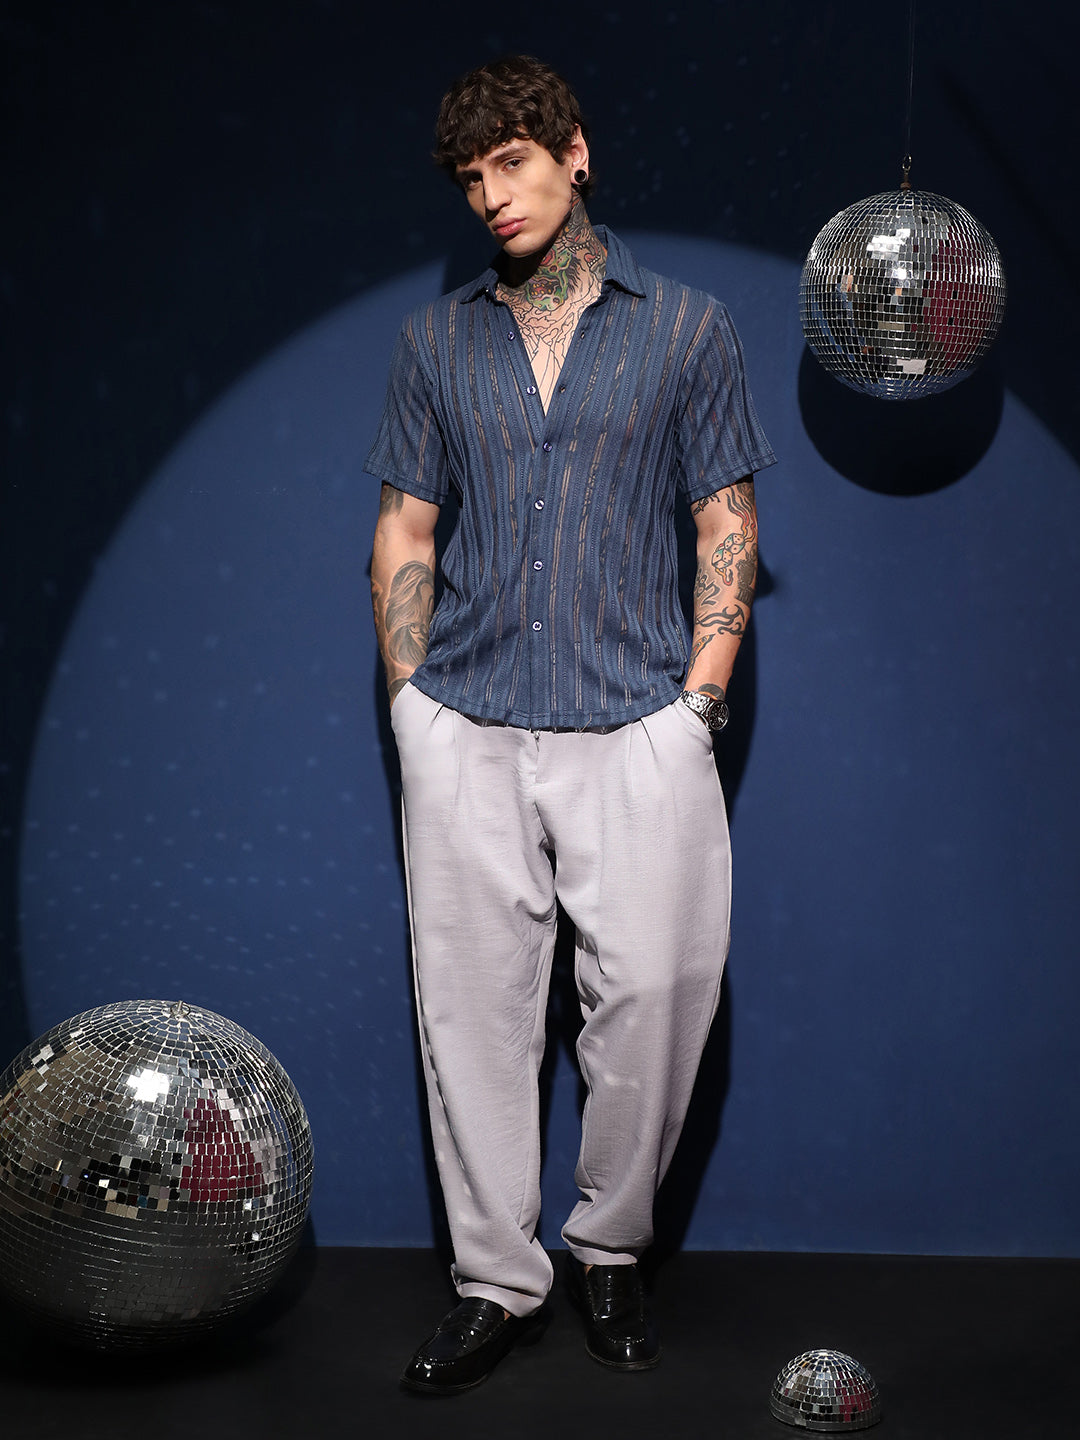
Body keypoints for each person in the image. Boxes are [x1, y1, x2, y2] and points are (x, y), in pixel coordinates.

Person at [366, 55, 776, 1395]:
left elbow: (726, 520)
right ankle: (496, 1280)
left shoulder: (690, 328)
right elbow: (405, 528)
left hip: (638, 713)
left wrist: (701, 699)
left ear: (574, 154)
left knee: (655, 995)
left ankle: (609, 1249)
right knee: (470, 1013)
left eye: (513, 162)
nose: (492, 195)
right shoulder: (435, 344)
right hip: (467, 719)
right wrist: (410, 702)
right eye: (470, 178)